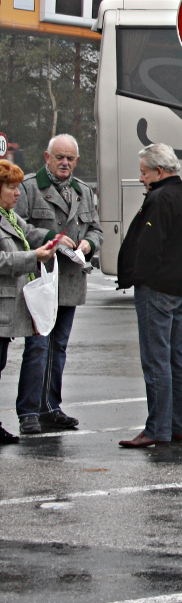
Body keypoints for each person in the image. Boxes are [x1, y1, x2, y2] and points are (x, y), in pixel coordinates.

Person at [116, 144, 182, 448]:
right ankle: (177, 426)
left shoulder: (160, 198)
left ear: (158, 171)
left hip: (157, 289)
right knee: (175, 358)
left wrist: (137, 276)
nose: (141, 178)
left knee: (156, 360)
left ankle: (157, 428)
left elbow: (149, 246)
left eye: (143, 172)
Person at [13, 135, 101, 434]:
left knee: (58, 348)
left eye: (71, 159)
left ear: (77, 161)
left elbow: (96, 229)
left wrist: (89, 244)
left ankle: (50, 407)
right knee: (38, 347)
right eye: (59, 157)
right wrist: (50, 238)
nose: (65, 163)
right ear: (46, 157)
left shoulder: (83, 192)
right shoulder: (27, 188)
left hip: (71, 280)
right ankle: (29, 412)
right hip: (41, 281)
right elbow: (16, 229)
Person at [0, 160, 59, 444]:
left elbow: (29, 233)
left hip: (8, 308)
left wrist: (53, 240)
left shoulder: (10, 217)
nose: (17, 193)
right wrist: (33, 257)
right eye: (10, 187)